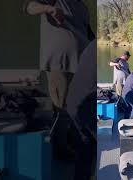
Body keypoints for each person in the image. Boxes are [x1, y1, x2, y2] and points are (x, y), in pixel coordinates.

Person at [23, 0, 94, 159]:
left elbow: (89, 35)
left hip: (81, 63)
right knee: (61, 108)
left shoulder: (81, 6)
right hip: (59, 63)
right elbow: (28, 6)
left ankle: (76, 142)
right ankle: (60, 150)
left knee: (79, 106)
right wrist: (48, 8)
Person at [66, 40, 96, 180]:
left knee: (83, 151)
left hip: (73, 102)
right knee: (88, 148)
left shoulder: (91, 46)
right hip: (82, 107)